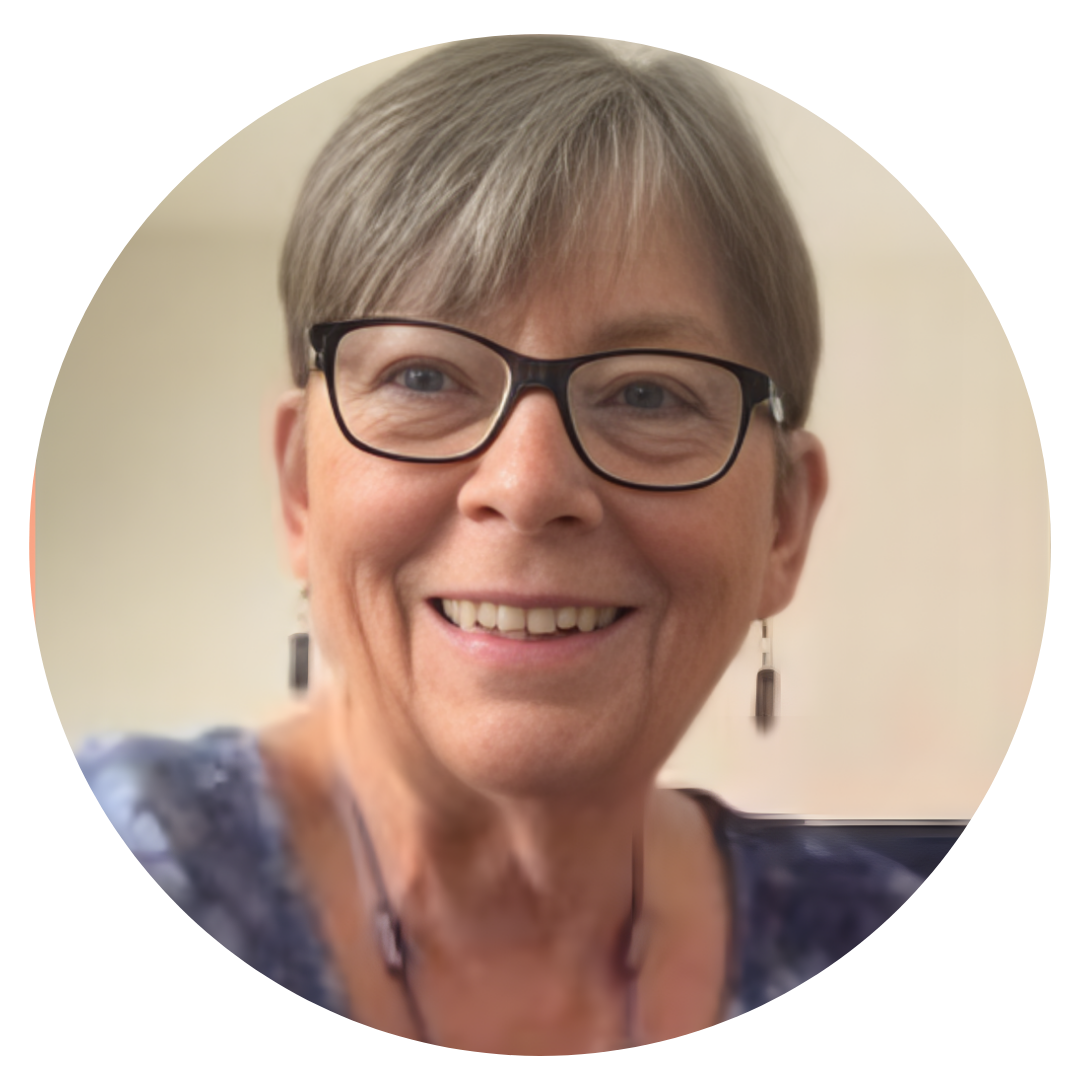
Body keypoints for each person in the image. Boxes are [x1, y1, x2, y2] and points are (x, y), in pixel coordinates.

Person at [77, 38, 961, 1050]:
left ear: (782, 524)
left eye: (647, 394)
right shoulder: (147, 846)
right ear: (300, 489)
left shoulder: (857, 927)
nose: (529, 485)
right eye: (423, 378)